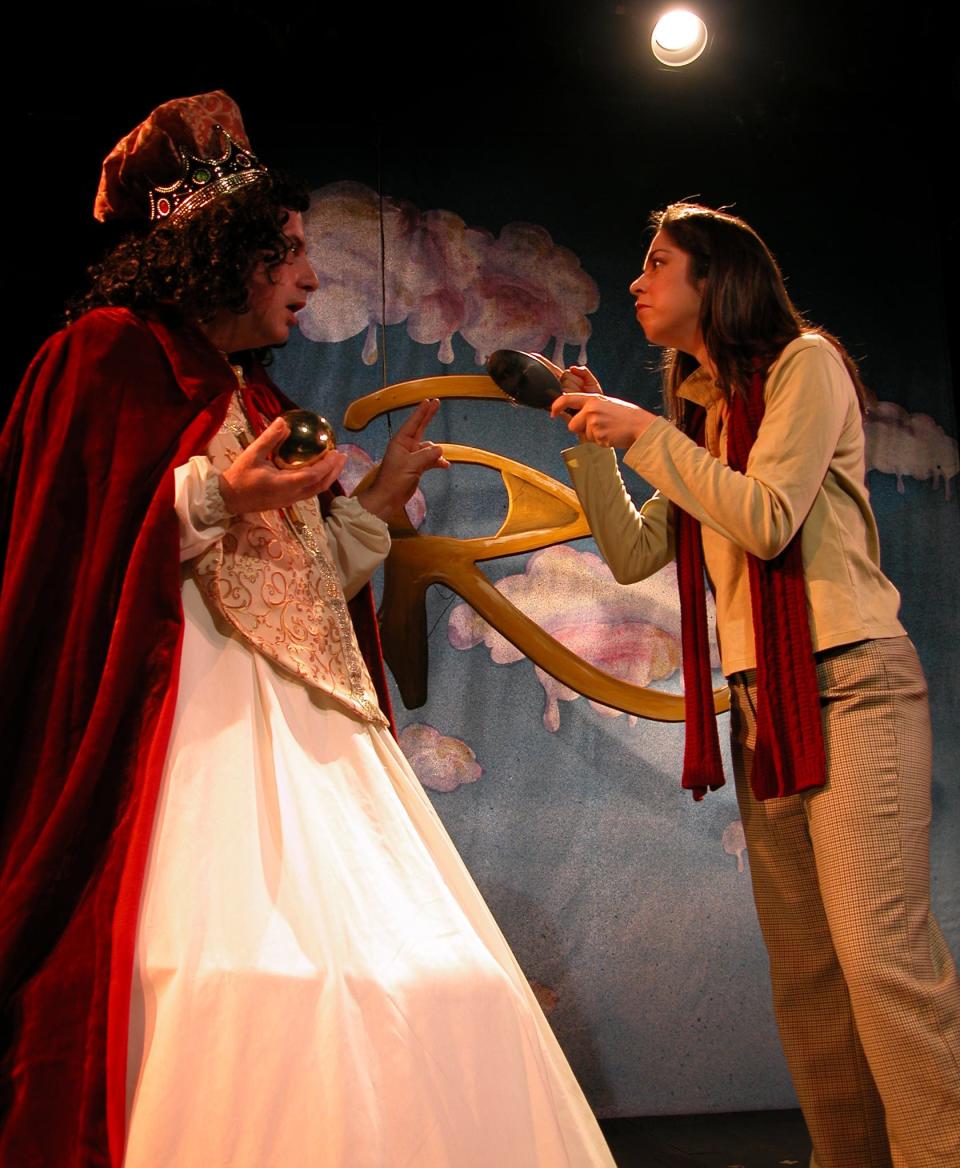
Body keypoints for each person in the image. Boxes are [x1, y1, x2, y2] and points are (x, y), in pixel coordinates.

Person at [0, 92, 615, 1167]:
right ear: (222, 253)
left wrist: (372, 506)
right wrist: (213, 499)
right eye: (285, 252)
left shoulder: (256, 397)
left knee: (420, 974)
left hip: (316, 736)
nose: (309, 276)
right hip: (192, 738)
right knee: (232, 981)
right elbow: (72, 556)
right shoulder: (106, 359)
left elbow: (299, 579)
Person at [549, 203, 960, 1168]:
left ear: (716, 279)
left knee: (880, 960)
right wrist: (603, 446)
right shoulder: (697, 417)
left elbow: (769, 518)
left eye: (657, 263)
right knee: (809, 977)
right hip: (764, 704)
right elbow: (633, 551)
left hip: (849, 683)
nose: (638, 283)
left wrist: (647, 433)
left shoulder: (804, 366)